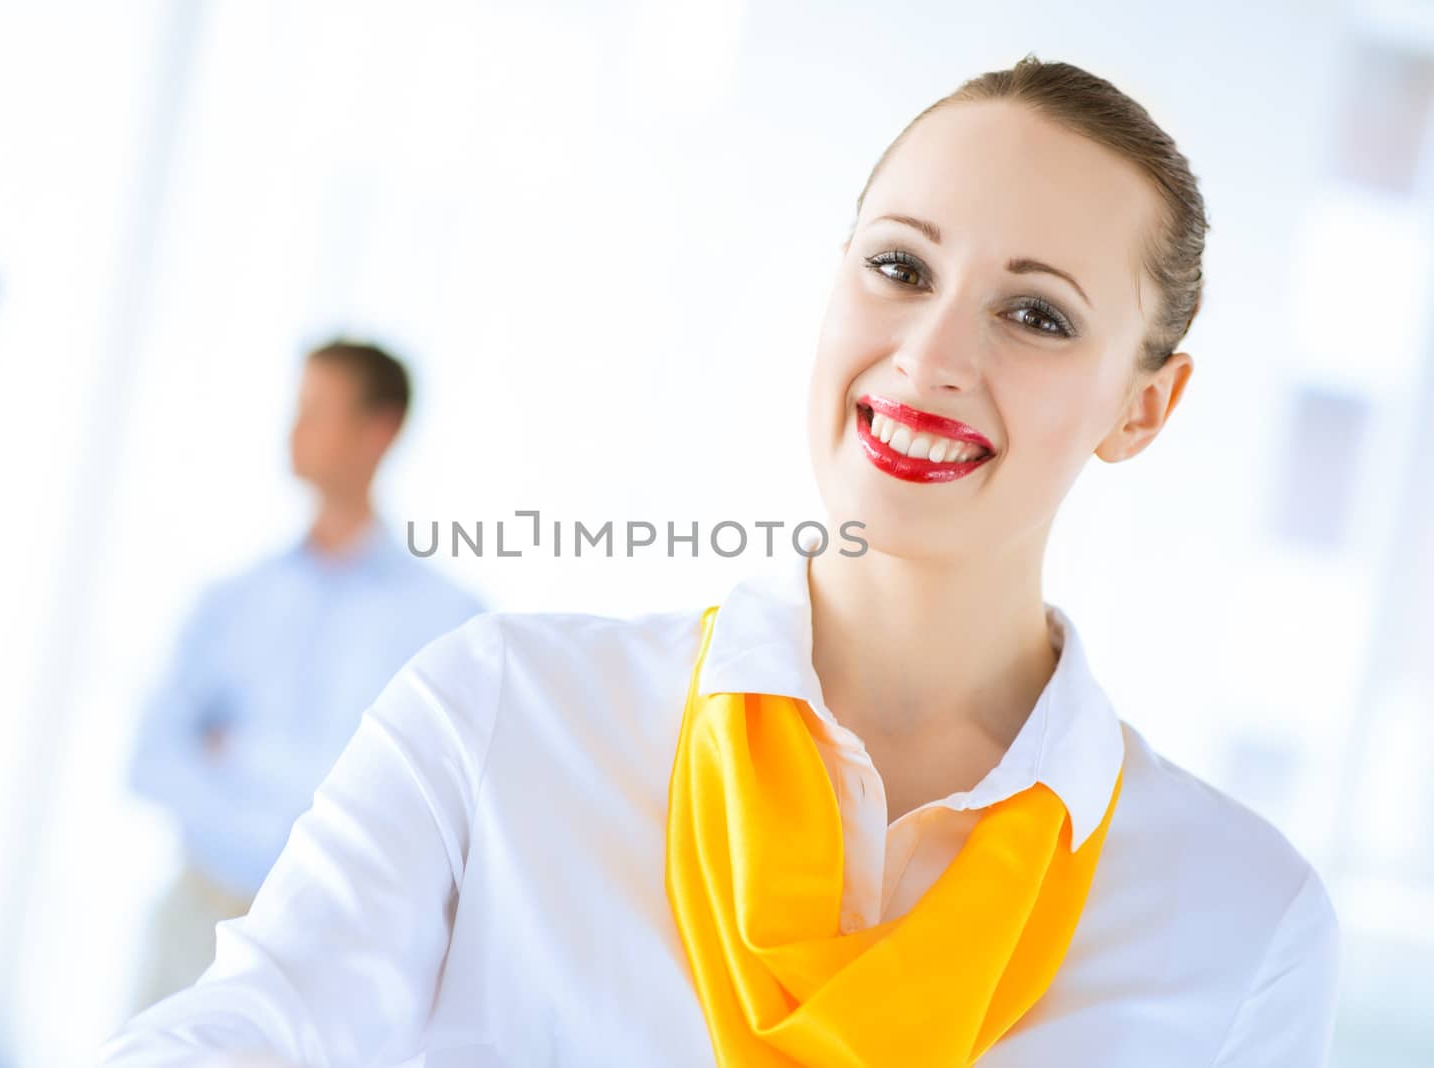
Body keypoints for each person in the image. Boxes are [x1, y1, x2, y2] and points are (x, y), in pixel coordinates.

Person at [99, 57, 1340, 1067]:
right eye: (899, 267)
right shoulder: (500, 713)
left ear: (1145, 408)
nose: (927, 356)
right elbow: (256, 1027)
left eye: (1036, 315)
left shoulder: (1239, 926)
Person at [126, 339, 485, 1009]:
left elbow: (425, 807)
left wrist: (240, 752)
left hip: (333, 958)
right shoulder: (232, 598)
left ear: (379, 432)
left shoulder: (447, 621)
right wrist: (311, 789)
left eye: (316, 410)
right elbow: (150, 760)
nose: (293, 430)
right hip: (196, 924)